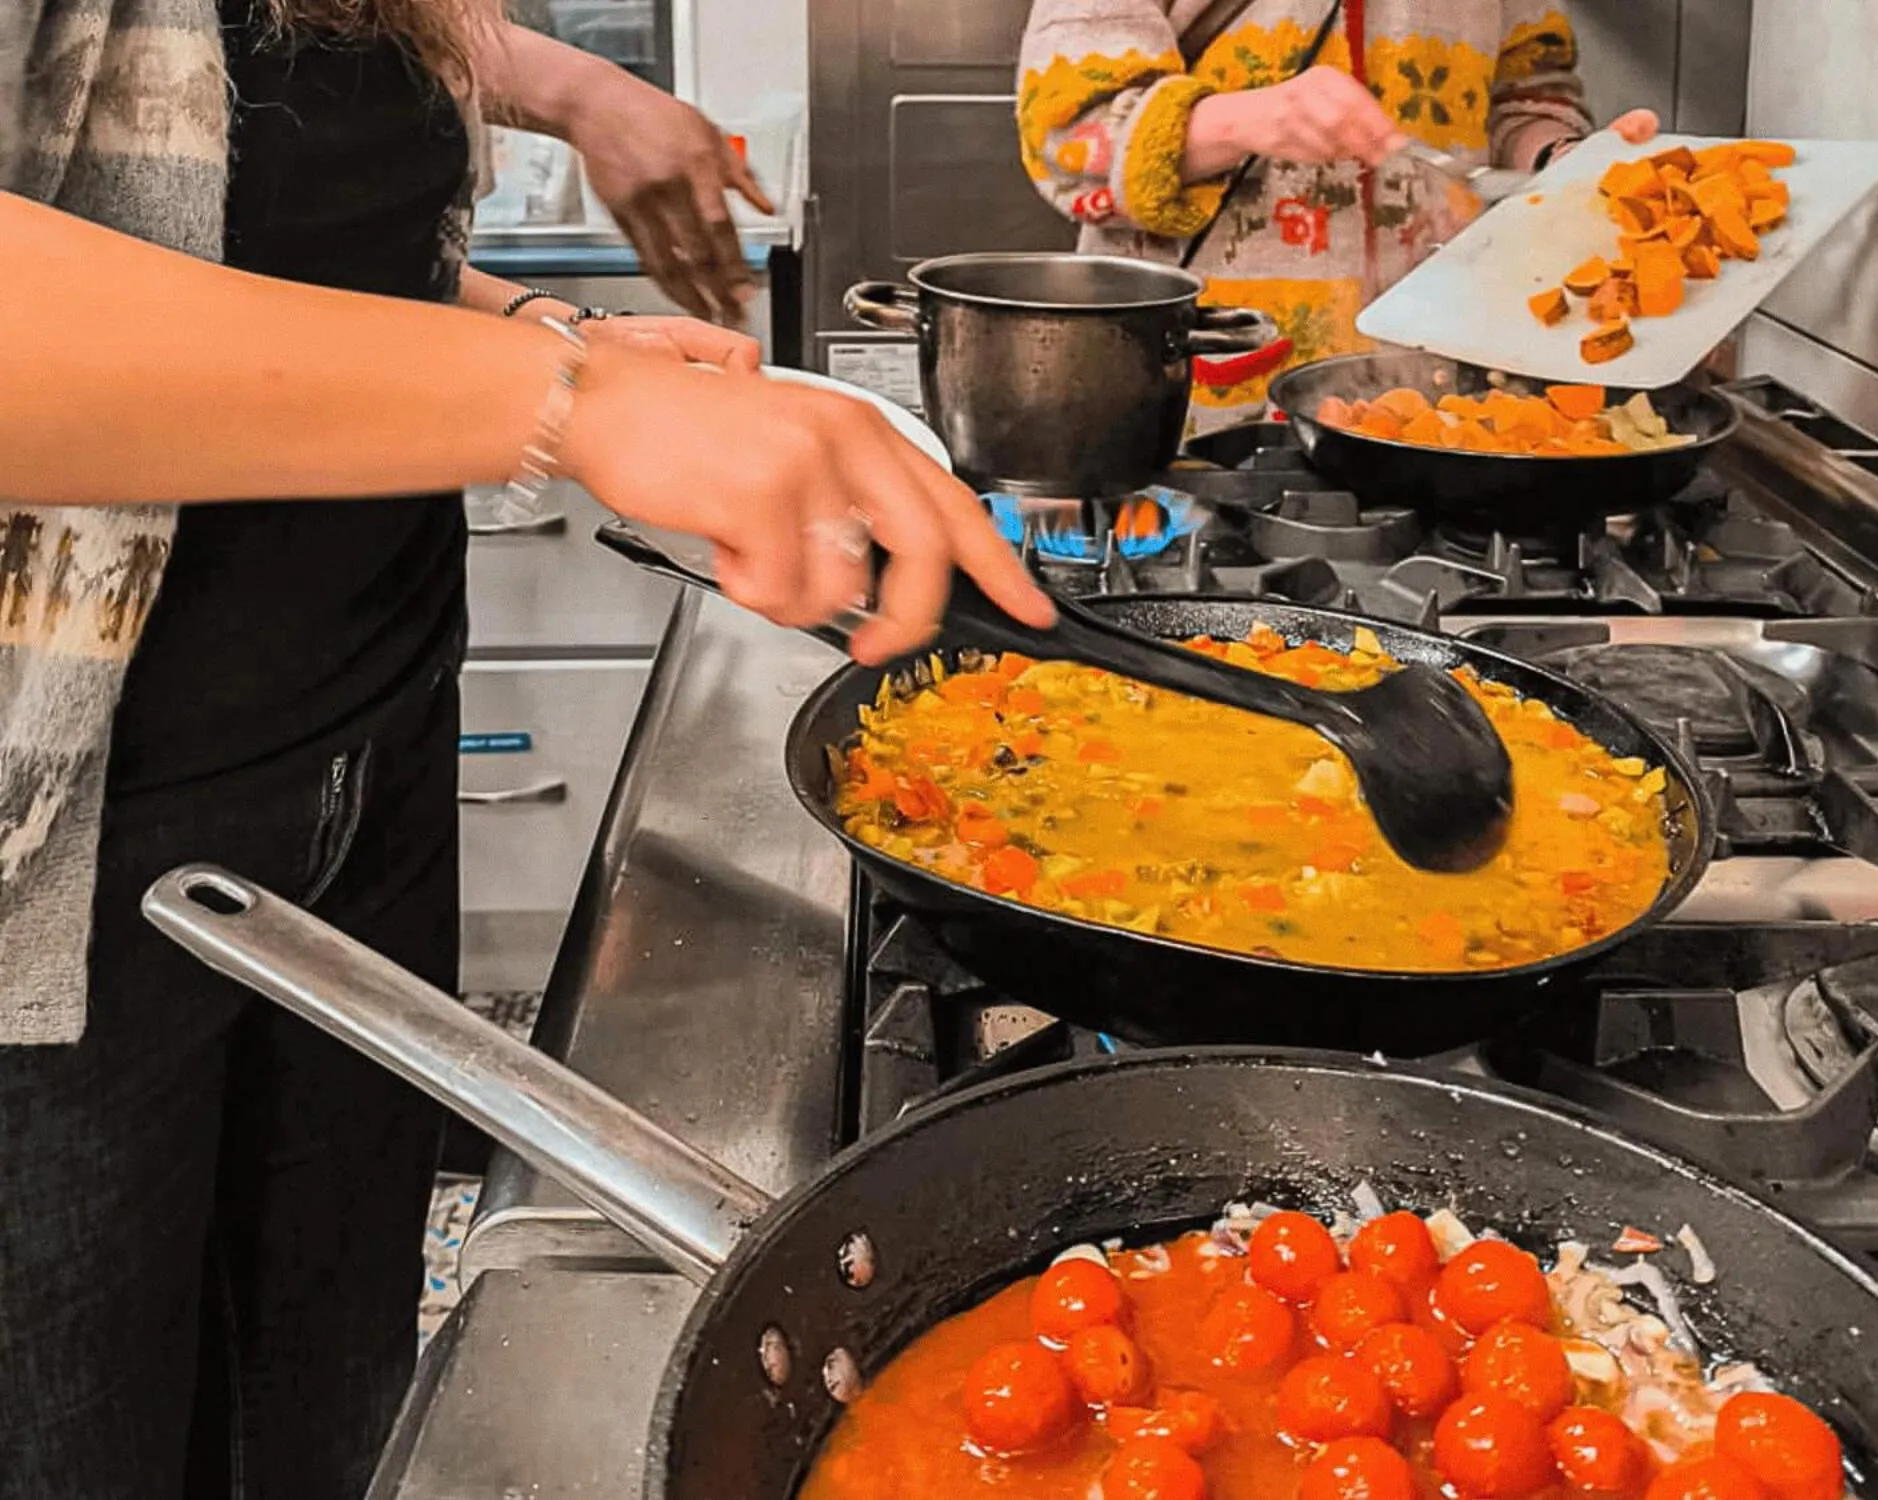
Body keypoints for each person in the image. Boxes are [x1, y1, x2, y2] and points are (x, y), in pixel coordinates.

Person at [0, 2, 1049, 1496]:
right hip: (47, 859)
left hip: (356, 750)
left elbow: (251, 224)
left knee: (328, 1413)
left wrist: (527, 326)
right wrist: (569, 405)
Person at [1016, 0, 1659, 431]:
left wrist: (1560, 159)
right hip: (1202, 410)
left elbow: (1526, 88)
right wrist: (1247, 119)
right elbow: (1067, 137)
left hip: (1443, 402)